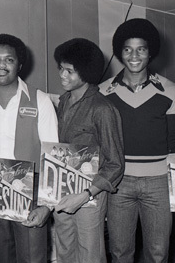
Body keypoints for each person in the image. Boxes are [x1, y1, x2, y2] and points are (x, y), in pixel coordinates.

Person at [98, 18, 175, 262]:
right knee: (119, 252)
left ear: (150, 54)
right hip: (118, 182)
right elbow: (98, 142)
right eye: (128, 49)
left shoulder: (169, 90)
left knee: (158, 253)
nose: (134, 55)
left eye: (141, 49)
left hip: (159, 183)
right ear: (119, 53)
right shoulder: (103, 92)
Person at [0, 33, 59, 263]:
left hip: (31, 194)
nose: (1, 65)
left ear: (20, 64)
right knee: (0, 258)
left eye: (9, 59)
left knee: (32, 258)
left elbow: (52, 155)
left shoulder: (40, 100)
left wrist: (47, 205)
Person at [52, 38, 124, 263]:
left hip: (89, 192)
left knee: (89, 253)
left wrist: (85, 196)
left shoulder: (103, 109)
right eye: (61, 68)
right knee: (63, 249)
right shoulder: (63, 101)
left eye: (69, 71)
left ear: (86, 72)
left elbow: (115, 164)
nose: (62, 75)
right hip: (62, 187)